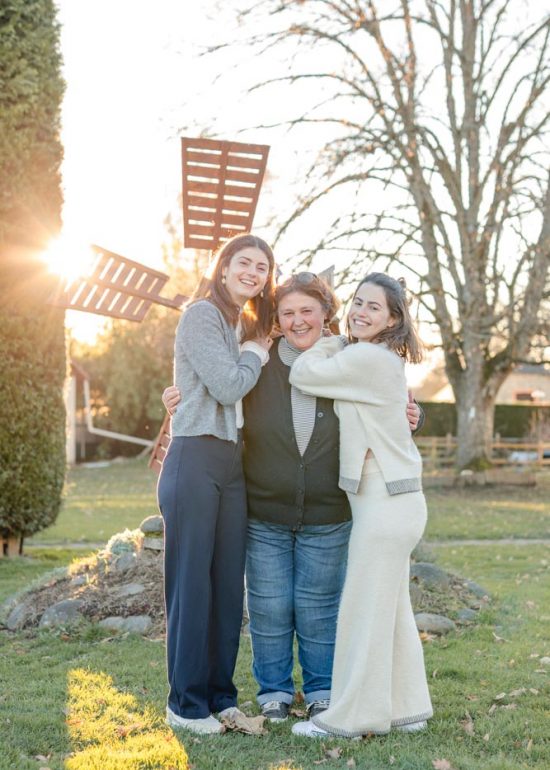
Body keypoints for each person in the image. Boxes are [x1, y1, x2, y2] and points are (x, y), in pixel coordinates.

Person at [162, 272, 423, 726]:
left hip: (329, 509)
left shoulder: (350, 358)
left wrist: (411, 414)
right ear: (277, 321)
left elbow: (381, 407)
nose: (299, 320)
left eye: (308, 311)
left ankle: (321, 690)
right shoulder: (257, 364)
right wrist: (175, 398)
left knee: (320, 606)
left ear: (327, 314)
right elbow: (214, 386)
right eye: (288, 313)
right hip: (266, 507)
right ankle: (275, 692)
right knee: (268, 605)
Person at [289, 272, 432, 738]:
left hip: (387, 502)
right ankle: (408, 710)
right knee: (390, 610)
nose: (360, 312)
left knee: (363, 611)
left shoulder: (367, 357)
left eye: (374, 307)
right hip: (392, 500)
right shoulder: (377, 358)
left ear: (392, 320)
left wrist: (332, 339)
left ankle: (352, 718)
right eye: (358, 302)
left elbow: (303, 373)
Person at [157, 233, 275, 735]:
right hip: (195, 458)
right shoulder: (202, 314)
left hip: (231, 463)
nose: (253, 271)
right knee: (192, 587)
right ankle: (185, 705)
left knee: (228, 587)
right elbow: (228, 386)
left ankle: (220, 697)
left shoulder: (242, 323)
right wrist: (254, 354)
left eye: (263, 267)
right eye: (244, 262)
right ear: (223, 267)